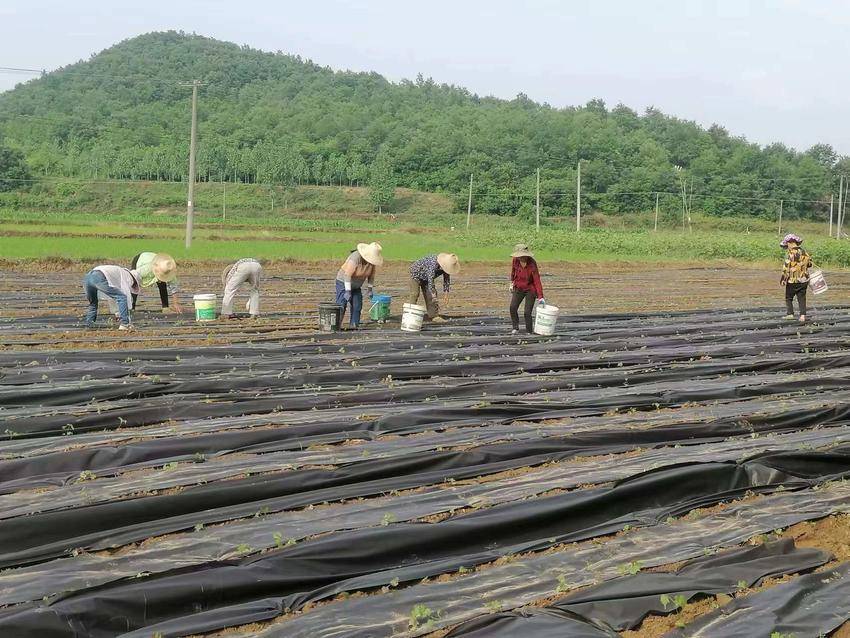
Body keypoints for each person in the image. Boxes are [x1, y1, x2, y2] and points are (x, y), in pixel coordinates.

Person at [335, 242, 384, 328]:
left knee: (357, 305)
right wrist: (347, 291)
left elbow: (371, 276)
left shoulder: (371, 262)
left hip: (357, 286)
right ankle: (336, 326)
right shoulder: (356, 257)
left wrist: (370, 289)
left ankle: (354, 325)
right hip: (344, 282)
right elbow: (347, 275)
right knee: (341, 305)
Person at [83, 265, 140, 330]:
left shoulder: (119, 272)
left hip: (87, 277)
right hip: (99, 277)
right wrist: (127, 319)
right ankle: (125, 324)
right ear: (135, 280)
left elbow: (112, 297)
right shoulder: (127, 276)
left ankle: (89, 324)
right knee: (122, 297)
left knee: (93, 303)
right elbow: (125, 297)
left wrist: (117, 313)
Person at [408, 253, 460, 322]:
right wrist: (434, 295)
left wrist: (446, 293)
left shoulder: (446, 268)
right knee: (415, 294)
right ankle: (410, 314)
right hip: (416, 274)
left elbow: (446, 279)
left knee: (430, 296)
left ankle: (434, 316)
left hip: (426, 277)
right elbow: (430, 280)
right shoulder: (433, 264)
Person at [509, 243, 545, 334]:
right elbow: (513, 272)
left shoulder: (532, 263)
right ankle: (515, 328)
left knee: (527, 312)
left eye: (523, 256)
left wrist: (541, 297)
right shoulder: (515, 261)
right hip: (518, 287)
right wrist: (512, 282)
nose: (521, 258)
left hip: (530, 289)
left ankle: (529, 331)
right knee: (512, 307)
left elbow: (537, 280)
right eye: (520, 256)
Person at [780, 233, 813, 323]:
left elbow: (786, 268)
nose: (787, 247)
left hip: (792, 280)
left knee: (789, 297)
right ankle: (802, 316)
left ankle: (790, 314)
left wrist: (783, 280)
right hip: (804, 279)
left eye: (787, 245)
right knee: (801, 298)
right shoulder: (805, 252)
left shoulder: (790, 254)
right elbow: (810, 264)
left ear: (790, 243)